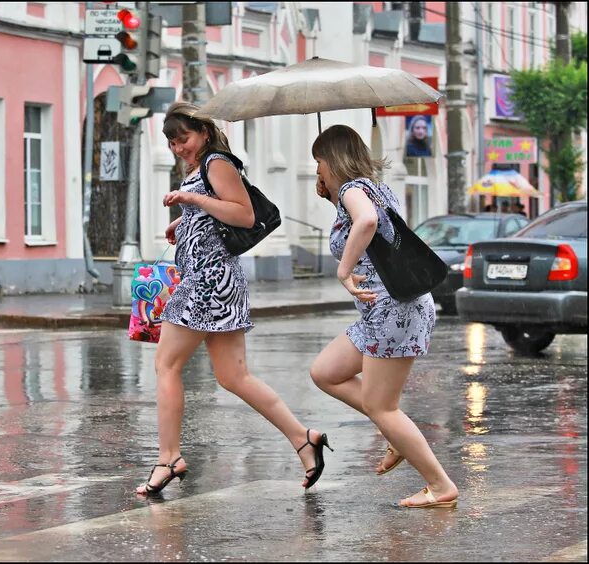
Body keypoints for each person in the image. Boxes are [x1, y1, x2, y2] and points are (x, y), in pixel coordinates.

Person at [135, 101, 332, 495]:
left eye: (183, 138)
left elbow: (242, 215)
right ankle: (303, 439)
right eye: (172, 142)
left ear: (204, 132)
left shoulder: (216, 163)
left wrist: (193, 202)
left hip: (208, 282)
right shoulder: (200, 168)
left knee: (166, 365)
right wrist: (185, 221)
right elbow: (217, 211)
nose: (178, 148)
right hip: (213, 280)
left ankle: (168, 458)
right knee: (233, 376)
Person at [310, 124, 458, 508]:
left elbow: (368, 223)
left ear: (333, 160)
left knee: (382, 406)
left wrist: (343, 271)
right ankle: (396, 433)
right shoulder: (373, 188)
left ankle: (440, 486)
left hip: (393, 309)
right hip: (388, 309)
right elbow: (370, 226)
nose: (318, 171)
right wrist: (333, 201)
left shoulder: (351, 190)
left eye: (319, 162)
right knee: (325, 372)